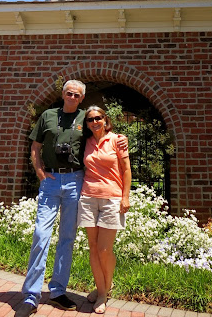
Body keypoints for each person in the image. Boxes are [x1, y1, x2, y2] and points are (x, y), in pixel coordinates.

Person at [15, 81, 127, 317]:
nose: (72, 97)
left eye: (77, 95)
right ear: (63, 94)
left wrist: (121, 138)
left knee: (67, 237)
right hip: (51, 181)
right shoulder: (47, 115)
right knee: (41, 234)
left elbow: (102, 132)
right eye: (69, 93)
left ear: (82, 98)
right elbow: (35, 146)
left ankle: (57, 291)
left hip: (76, 181)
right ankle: (31, 295)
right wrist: (39, 171)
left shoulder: (86, 118)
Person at [77, 106, 131, 314]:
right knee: (93, 247)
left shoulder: (117, 140)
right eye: (90, 119)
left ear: (105, 119)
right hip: (88, 197)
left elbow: (126, 169)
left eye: (98, 118)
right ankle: (101, 290)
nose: (94, 122)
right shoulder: (86, 141)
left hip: (111, 199)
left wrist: (125, 196)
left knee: (104, 249)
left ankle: (103, 292)